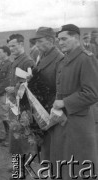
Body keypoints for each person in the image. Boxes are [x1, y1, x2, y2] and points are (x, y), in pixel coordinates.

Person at [51, 24, 98, 179]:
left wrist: (64, 102)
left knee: (79, 163)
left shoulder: (86, 59)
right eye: (59, 40)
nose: (60, 42)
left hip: (79, 122)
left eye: (64, 39)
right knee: (66, 161)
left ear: (76, 38)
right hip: (64, 120)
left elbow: (92, 93)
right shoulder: (65, 60)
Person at [29, 27, 64, 161]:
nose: (36, 45)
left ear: (50, 41)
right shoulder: (41, 56)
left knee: (52, 145)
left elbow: (61, 86)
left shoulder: (59, 58)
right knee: (45, 145)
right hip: (41, 105)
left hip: (52, 106)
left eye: (40, 41)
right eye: (36, 42)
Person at [6, 34, 35, 156]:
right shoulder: (17, 60)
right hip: (14, 103)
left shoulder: (27, 61)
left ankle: (21, 169)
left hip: (23, 105)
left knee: (22, 136)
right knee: (15, 134)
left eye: (14, 45)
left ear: (21, 45)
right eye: (10, 46)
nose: (11, 49)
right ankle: (17, 166)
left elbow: (32, 83)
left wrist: (15, 88)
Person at [0, 45, 12, 146]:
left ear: (6, 53)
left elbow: (8, 80)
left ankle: (9, 138)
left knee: (5, 115)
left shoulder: (9, 64)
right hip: (0, 92)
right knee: (1, 115)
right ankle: (3, 136)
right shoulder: (1, 64)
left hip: (4, 92)